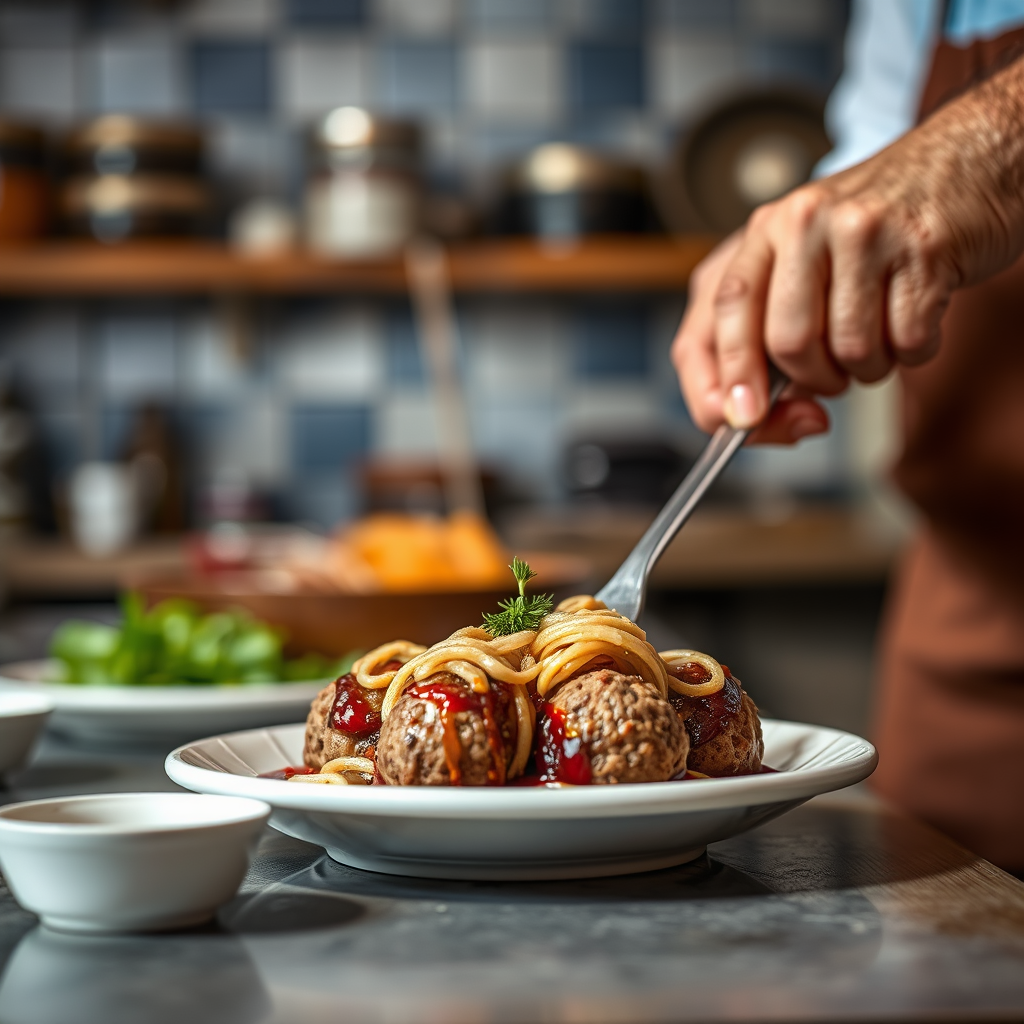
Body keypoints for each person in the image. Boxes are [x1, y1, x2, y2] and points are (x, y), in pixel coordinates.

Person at [671, 0, 1024, 873]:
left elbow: (934, 169)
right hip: (976, 620)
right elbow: (872, 170)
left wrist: (995, 138)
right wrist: (793, 280)